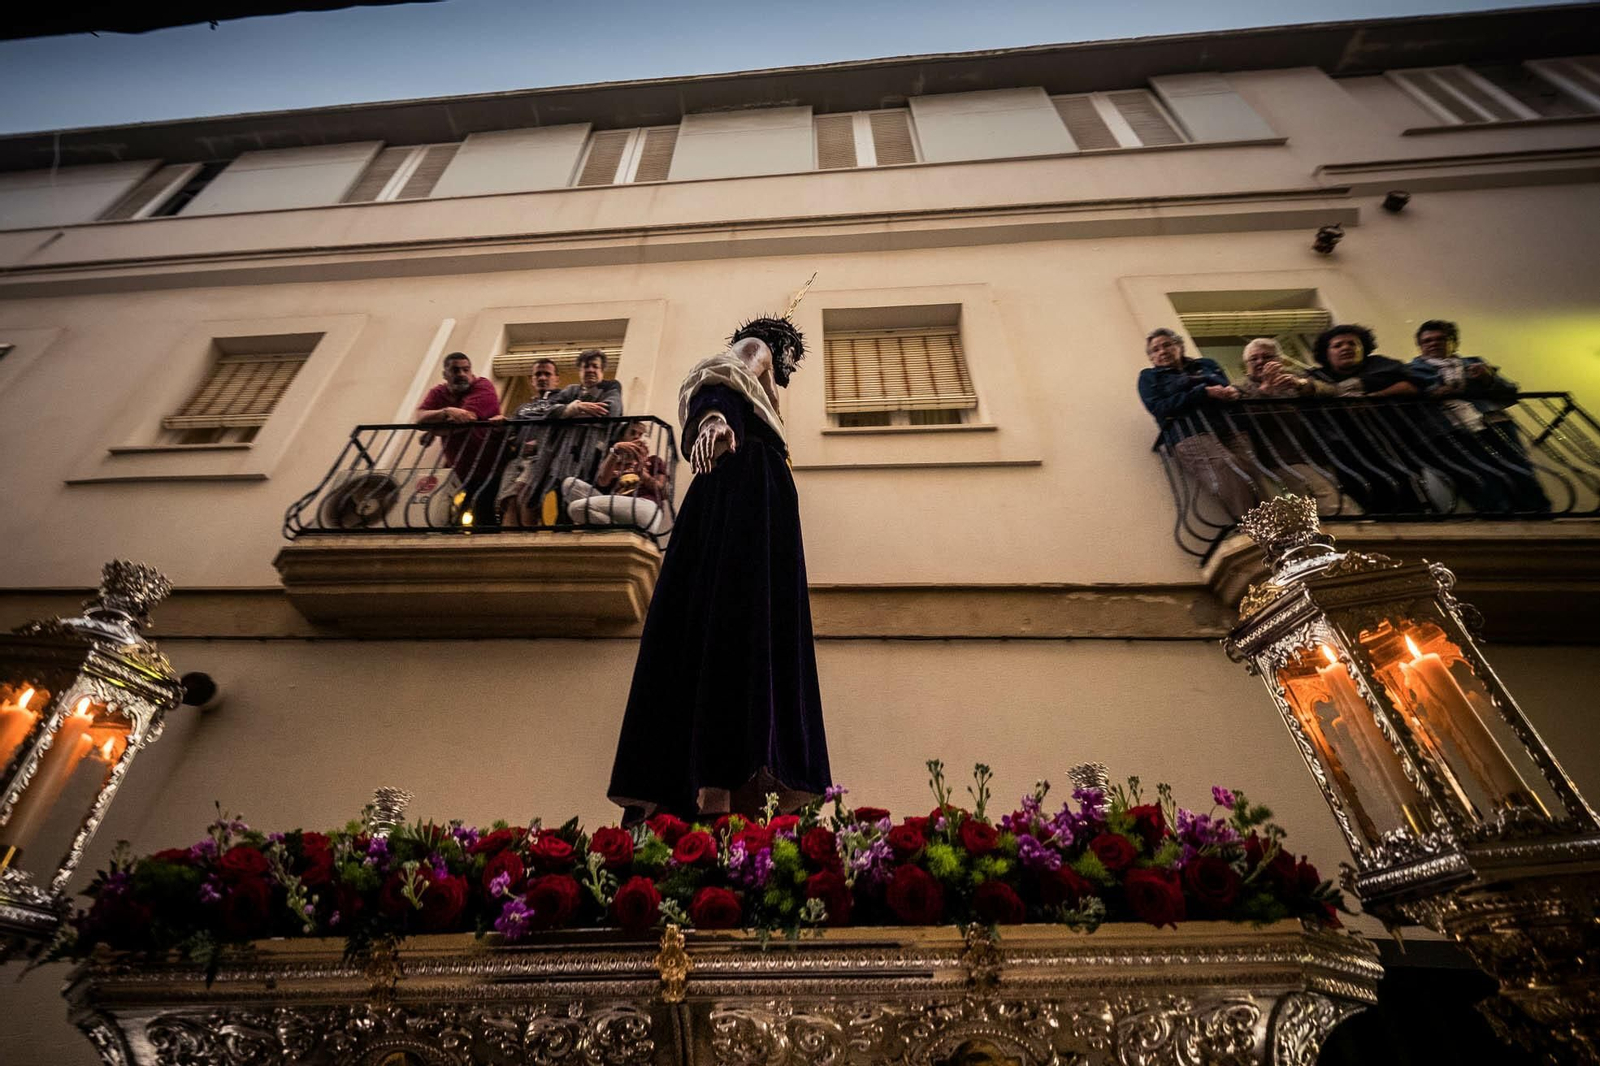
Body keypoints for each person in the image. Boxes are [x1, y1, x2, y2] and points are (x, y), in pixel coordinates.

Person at [609, 314, 830, 822]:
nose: (792, 367)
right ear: (784, 347)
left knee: (734, 623)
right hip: (746, 487)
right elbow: (725, 375)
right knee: (738, 613)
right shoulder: (760, 350)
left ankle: (721, 785)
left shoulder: (772, 398)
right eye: (793, 355)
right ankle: (727, 773)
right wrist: (713, 417)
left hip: (755, 495)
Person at [1407, 319, 1550, 513]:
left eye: (1441, 339)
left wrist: (1487, 378)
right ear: (1420, 346)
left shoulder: (1475, 363)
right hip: (1447, 431)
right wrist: (1431, 393)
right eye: (1428, 340)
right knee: (1475, 475)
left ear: (1454, 343)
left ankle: (1538, 514)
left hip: (1493, 423)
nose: (1434, 343)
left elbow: (1509, 392)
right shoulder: (1411, 371)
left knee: (1518, 469)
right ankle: (1499, 517)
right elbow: (1408, 401)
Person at [1136, 327, 1260, 519]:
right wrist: (1203, 392)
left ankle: (1278, 527)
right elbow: (1159, 407)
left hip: (1229, 426)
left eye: (1167, 345)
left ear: (1180, 346)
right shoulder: (1149, 377)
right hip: (1190, 432)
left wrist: (1233, 393)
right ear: (1151, 358)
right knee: (1226, 468)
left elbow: (1225, 385)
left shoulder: (1206, 364)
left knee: (1251, 472)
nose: (1162, 351)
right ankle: (1257, 526)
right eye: (1156, 350)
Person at [1306, 324, 1429, 515]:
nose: (1346, 348)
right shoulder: (1317, 376)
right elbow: (1308, 391)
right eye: (1338, 345)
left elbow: (1412, 385)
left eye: (1352, 344)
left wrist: (1373, 395)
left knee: (1408, 497)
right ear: (1326, 353)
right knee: (1366, 498)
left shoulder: (1381, 365)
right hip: (1347, 452)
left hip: (1393, 444)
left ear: (1363, 348)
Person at [1232, 338, 1350, 515]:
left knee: (1334, 494)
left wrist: (1301, 385)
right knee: (1329, 501)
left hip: (1317, 451)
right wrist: (1264, 391)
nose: (1260, 361)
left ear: (1279, 360)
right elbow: (1244, 421)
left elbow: (1333, 392)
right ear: (1246, 364)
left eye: (1266, 357)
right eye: (1254, 358)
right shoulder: (1240, 388)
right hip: (1281, 458)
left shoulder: (1293, 377)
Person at [414, 352, 505, 526]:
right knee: (451, 520)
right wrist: (446, 411)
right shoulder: (438, 392)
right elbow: (419, 417)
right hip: (459, 470)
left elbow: (467, 419)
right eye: (456, 370)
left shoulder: (483, 385)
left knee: (484, 518)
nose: (462, 374)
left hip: (490, 467)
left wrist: (433, 429)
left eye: (466, 369)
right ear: (445, 374)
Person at [547, 349, 625, 519]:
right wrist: (577, 407)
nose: (590, 370)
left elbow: (611, 411)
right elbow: (549, 411)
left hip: (594, 455)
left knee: (586, 500)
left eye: (595, 366)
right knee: (562, 505)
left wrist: (568, 415)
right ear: (580, 371)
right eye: (585, 366)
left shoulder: (611, 386)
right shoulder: (571, 391)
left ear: (602, 370)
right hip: (565, 456)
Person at [561, 421, 672, 537]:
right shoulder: (615, 462)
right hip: (616, 510)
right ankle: (621, 531)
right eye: (632, 432)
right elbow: (602, 481)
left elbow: (662, 492)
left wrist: (642, 473)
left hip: (645, 508)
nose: (636, 436)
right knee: (570, 484)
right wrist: (615, 450)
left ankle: (617, 530)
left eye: (641, 434)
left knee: (576, 507)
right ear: (622, 437)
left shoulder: (654, 460)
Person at [496, 358, 564, 528]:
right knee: (508, 501)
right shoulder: (523, 408)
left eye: (547, 374)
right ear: (531, 380)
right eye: (538, 374)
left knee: (526, 497)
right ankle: (506, 547)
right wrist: (503, 425)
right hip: (517, 458)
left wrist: (540, 443)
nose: (542, 378)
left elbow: (566, 430)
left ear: (557, 379)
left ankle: (527, 547)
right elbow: (512, 433)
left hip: (542, 458)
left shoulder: (562, 401)